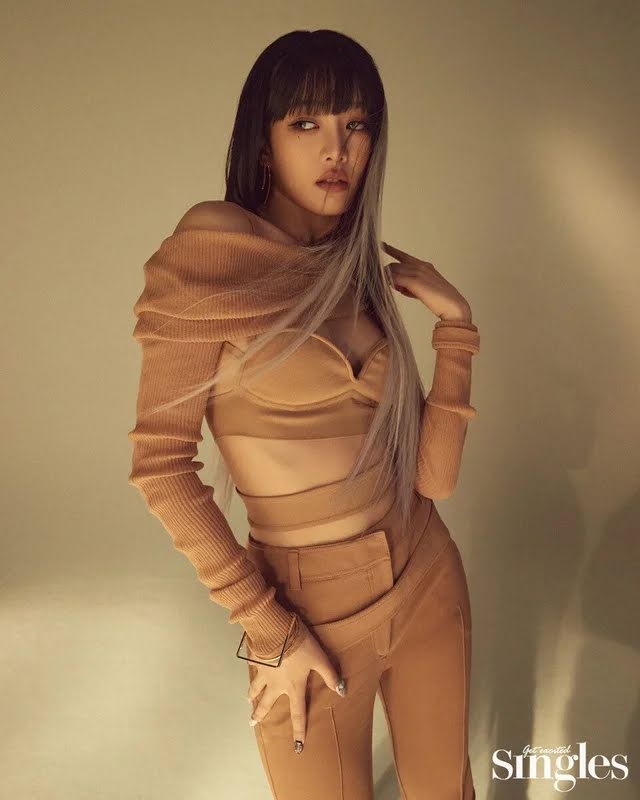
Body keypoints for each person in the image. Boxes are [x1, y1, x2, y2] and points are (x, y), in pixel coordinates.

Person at [128, 28, 479, 800]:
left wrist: (457, 330)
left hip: (426, 575)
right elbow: (160, 467)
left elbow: (434, 482)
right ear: (264, 145)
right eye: (307, 123)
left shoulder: (355, 272)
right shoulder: (211, 250)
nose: (337, 150)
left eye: (357, 125)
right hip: (303, 609)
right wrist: (270, 628)